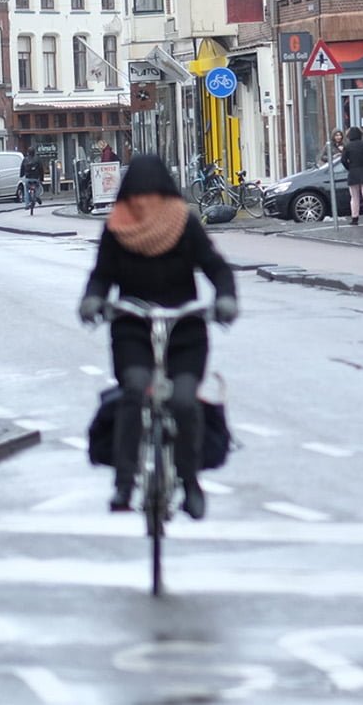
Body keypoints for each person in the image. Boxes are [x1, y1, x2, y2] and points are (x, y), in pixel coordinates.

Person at [78, 156, 237, 520]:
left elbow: (215, 266)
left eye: (151, 195)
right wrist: (93, 299)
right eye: (137, 196)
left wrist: (225, 297)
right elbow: (101, 274)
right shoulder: (117, 228)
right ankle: (124, 482)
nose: (144, 203)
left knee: (184, 400)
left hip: (184, 328)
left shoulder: (184, 223)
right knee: (134, 390)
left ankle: (190, 482)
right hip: (132, 326)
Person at [341, 126, 363, 225]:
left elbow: (343, 160)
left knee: (354, 197)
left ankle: (355, 218)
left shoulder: (347, 146)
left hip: (353, 173)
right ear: (360, 135)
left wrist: (349, 167)